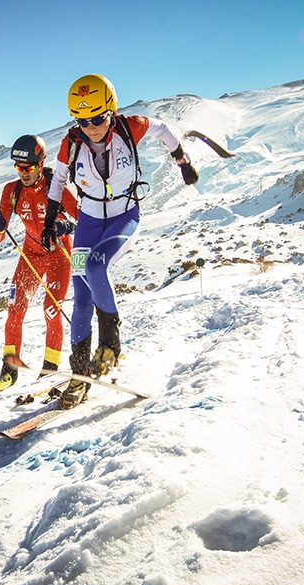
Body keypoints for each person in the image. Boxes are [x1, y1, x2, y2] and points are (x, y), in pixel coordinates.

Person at [41, 74, 199, 408]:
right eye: (82, 121)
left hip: (123, 218)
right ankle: (80, 375)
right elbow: (57, 179)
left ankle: (111, 345)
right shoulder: (72, 143)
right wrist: (50, 217)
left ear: (111, 110)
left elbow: (165, 129)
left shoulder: (132, 127)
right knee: (81, 291)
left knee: (97, 267)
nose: (91, 127)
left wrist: (182, 161)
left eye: (98, 118)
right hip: (87, 222)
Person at [0, 135, 79, 391]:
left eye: (28, 167)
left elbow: (84, 218)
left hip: (59, 254)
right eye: (18, 167)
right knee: (15, 309)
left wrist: (67, 225)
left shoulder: (57, 187)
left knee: (51, 309)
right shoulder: (12, 191)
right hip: (30, 256)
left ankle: (49, 370)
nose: (23, 173)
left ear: (41, 164)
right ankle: (9, 370)